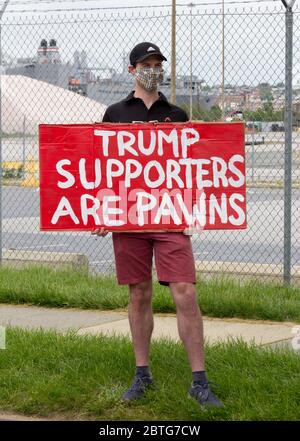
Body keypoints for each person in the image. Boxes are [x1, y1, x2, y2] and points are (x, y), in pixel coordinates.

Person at [92, 42, 223, 408]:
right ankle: (142, 374)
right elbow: (103, 169)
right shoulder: (114, 113)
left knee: (186, 292)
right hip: (129, 220)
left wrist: (196, 210)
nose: (153, 69)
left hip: (169, 218)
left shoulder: (177, 114)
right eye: (146, 64)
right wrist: (101, 211)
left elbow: (190, 169)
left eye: (158, 64)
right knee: (139, 293)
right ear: (133, 69)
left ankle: (199, 381)